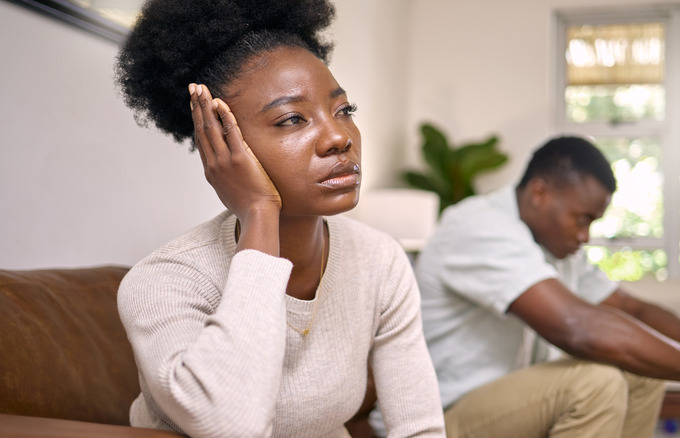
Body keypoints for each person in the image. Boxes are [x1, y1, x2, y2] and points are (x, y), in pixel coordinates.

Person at [113, 0, 445, 436]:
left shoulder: (380, 262)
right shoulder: (163, 282)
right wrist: (258, 211)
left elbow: (418, 428)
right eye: (292, 119)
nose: (338, 137)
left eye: (344, 110)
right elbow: (231, 425)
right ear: (220, 144)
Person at [414, 136, 680, 438]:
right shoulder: (479, 226)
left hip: (505, 401)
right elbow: (579, 327)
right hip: (440, 417)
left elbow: (632, 309)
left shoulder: (553, 244)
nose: (585, 236)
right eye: (582, 219)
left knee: (640, 371)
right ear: (540, 194)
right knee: (594, 382)